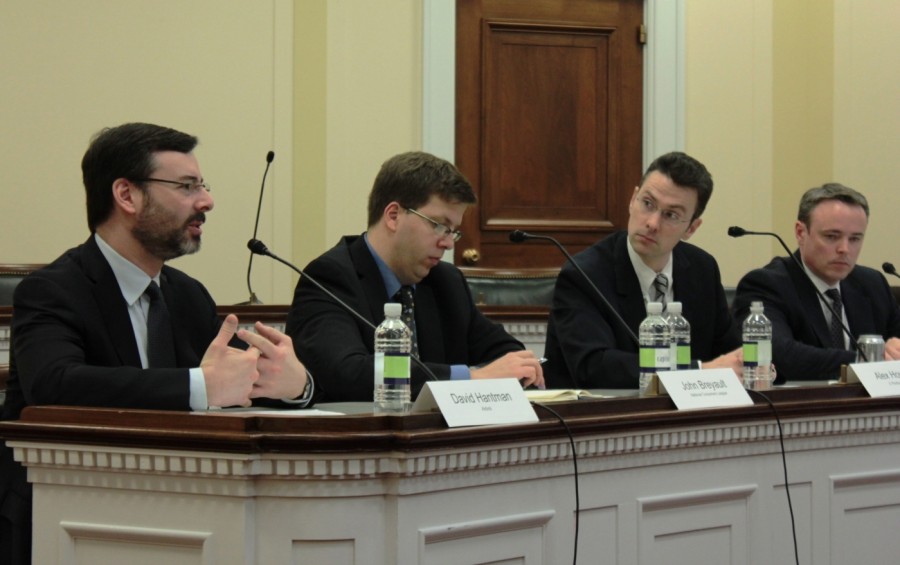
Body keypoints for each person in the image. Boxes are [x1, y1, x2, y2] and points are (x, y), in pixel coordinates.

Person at [0, 122, 313, 565]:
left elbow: (233, 384)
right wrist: (200, 388)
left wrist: (294, 385)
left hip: (180, 512)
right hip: (66, 518)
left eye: (202, 185)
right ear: (126, 196)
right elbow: (54, 385)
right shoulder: (53, 291)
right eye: (186, 187)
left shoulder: (188, 295)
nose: (206, 201)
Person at [285, 151, 544, 402]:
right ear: (394, 216)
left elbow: (504, 352)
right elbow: (348, 372)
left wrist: (515, 368)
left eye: (453, 231)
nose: (448, 244)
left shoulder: (446, 281)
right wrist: (470, 377)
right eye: (439, 225)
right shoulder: (330, 277)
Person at [543, 151, 743, 389]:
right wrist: (697, 371)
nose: (652, 223)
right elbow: (594, 367)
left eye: (670, 215)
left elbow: (728, 352)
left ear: (691, 228)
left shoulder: (702, 270)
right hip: (599, 419)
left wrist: (752, 365)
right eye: (647, 204)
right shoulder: (584, 274)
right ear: (633, 199)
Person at [733, 183, 900, 382]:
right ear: (801, 233)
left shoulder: (871, 284)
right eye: (832, 236)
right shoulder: (766, 284)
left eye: (855, 239)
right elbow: (777, 354)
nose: (844, 249)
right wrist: (871, 361)